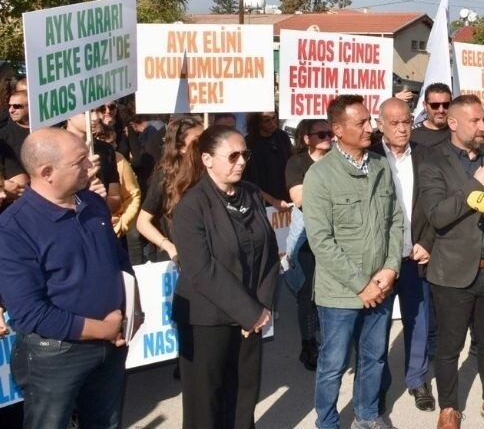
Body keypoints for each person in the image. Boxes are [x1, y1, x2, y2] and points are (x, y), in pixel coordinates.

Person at [0, 128, 137, 429]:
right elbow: (30, 312)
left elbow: (118, 260)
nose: (91, 166)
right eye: (80, 161)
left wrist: (129, 313)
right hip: (56, 355)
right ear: (46, 172)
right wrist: (103, 328)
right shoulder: (12, 229)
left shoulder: (93, 203)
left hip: (111, 343)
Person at [417, 94, 484, 429]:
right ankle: (449, 408)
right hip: (452, 273)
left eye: (483, 120)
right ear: (453, 123)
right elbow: (437, 215)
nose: (482, 126)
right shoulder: (432, 162)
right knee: (450, 348)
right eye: (475, 121)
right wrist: (474, 187)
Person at [303, 95, 402, 429]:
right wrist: (361, 285)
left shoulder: (381, 166)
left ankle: (367, 415)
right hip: (340, 293)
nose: (369, 127)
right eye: (360, 123)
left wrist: (390, 268)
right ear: (337, 129)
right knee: (332, 365)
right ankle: (327, 422)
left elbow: (395, 220)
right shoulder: (320, 175)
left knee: (374, 357)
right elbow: (321, 241)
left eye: (368, 120)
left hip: (381, 285)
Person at [170, 125, 278, 428]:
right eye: (232, 156)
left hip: (252, 317)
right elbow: (201, 270)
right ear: (207, 159)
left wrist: (261, 308)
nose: (241, 161)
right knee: (206, 404)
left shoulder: (251, 193)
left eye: (244, 154)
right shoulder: (191, 205)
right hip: (207, 321)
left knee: (243, 395)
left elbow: (269, 253)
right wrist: (249, 313)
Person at [371, 98, 437, 412]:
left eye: (406, 122)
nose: (401, 128)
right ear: (380, 124)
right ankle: (378, 385)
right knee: (377, 327)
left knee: (419, 320)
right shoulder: (368, 156)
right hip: (379, 260)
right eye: (394, 123)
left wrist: (428, 241)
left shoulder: (426, 155)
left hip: (415, 255)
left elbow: (436, 203)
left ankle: (417, 379)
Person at [284, 118, 332, 371]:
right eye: (321, 134)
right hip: (307, 238)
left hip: (334, 237)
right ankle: (308, 344)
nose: (328, 138)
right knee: (307, 292)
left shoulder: (337, 160)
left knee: (329, 291)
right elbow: (300, 199)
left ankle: (330, 340)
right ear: (307, 139)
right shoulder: (297, 163)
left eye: (330, 133)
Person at [136, 116, 204, 263]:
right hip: (175, 259)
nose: (204, 144)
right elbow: (142, 222)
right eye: (198, 140)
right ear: (181, 147)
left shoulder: (208, 171)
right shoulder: (164, 176)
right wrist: (169, 247)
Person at [244, 111, 292, 210]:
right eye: (267, 120)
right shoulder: (249, 144)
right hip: (262, 203)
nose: (272, 122)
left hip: (286, 198)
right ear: (257, 123)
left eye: (274, 118)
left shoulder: (282, 136)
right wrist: (272, 200)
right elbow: (249, 182)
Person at [412, 83, 453, 147]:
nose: (441, 110)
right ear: (425, 106)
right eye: (435, 105)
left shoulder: (458, 130)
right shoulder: (412, 135)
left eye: (446, 105)